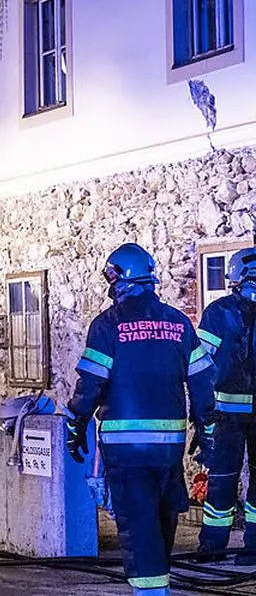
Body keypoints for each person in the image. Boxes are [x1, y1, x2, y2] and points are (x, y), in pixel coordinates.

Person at [66, 243, 215, 596]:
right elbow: (203, 380)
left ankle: (151, 593)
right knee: (163, 524)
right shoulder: (178, 323)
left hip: (125, 449)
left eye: (112, 275)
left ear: (124, 276)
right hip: (169, 449)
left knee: (138, 525)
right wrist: (205, 428)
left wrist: (75, 424)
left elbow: (90, 385)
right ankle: (158, 586)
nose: (110, 282)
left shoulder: (106, 325)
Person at [197, 247, 256, 561]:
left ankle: (212, 546)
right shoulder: (220, 313)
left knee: (222, 479)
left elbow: (201, 364)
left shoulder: (218, 312)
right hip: (231, 414)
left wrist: (201, 410)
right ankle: (254, 548)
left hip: (226, 414)